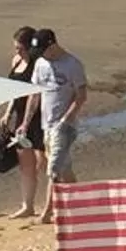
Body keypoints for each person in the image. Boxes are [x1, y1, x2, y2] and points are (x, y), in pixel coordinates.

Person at [25, 25, 89, 209]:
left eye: (43, 50)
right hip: (47, 124)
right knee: (65, 169)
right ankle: (82, 203)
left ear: (52, 46)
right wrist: (26, 122)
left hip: (64, 127)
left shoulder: (72, 65)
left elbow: (81, 96)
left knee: (53, 170)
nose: (41, 55)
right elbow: (35, 94)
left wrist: (65, 120)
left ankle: (48, 212)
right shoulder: (40, 64)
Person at [0, 27, 48, 219]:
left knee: (44, 163)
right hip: (20, 117)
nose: (17, 51)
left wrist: (27, 121)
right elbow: (13, 90)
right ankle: (27, 206)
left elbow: (37, 93)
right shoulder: (16, 61)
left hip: (38, 117)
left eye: (20, 48)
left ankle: (56, 203)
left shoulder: (39, 65)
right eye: (15, 48)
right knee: (25, 164)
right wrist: (7, 113)